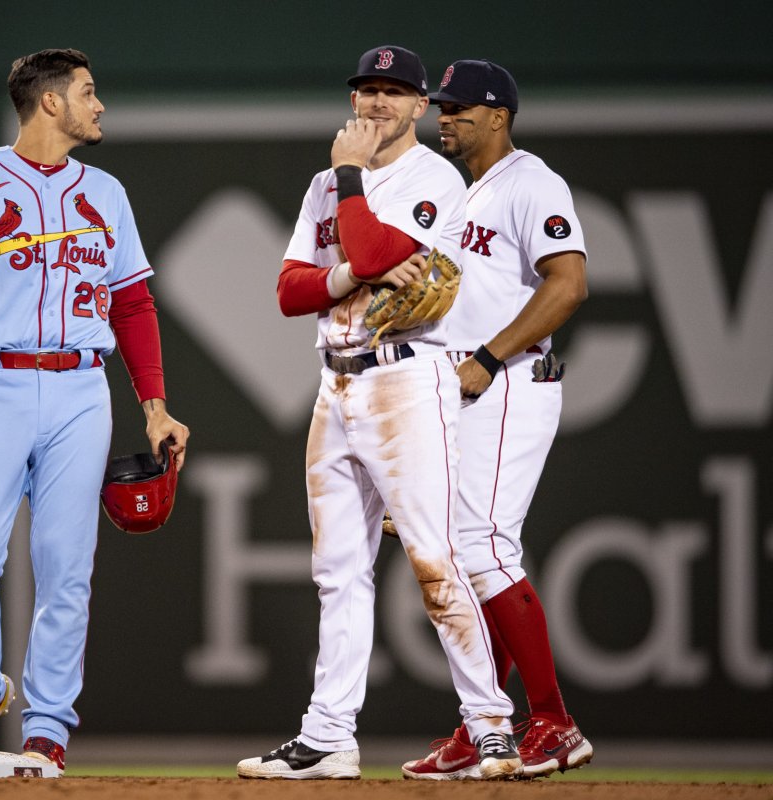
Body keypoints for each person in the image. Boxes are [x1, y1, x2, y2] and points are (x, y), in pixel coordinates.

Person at [236, 45, 520, 781]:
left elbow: (369, 241)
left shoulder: (433, 178)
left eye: (396, 92)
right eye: (368, 89)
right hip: (334, 385)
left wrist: (353, 187)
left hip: (408, 380)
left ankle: (490, 725)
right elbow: (292, 291)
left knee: (434, 558)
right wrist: (349, 270)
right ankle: (329, 735)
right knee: (337, 571)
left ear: (421, 107)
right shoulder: (323, 183)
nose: (378, 103)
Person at [0, 48, 189, 774]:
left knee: (66, 568)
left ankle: (48, 729)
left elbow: (132, 303)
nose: (99, 106)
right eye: (89, 93)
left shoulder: (108, 193)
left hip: (80, 390)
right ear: (51, 102)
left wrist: (154, 406)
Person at [400, 59, 591, 780]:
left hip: (509, 378)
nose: (445, 117)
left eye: (460, 107)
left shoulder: (532, 182)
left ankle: (554, 721)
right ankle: (487, 727)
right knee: (463, 555)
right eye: (442, 106)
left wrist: (485, 357)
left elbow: (569, 284)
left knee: (482, 546)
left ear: (500, 115)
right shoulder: (458, 192)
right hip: (458, 388)